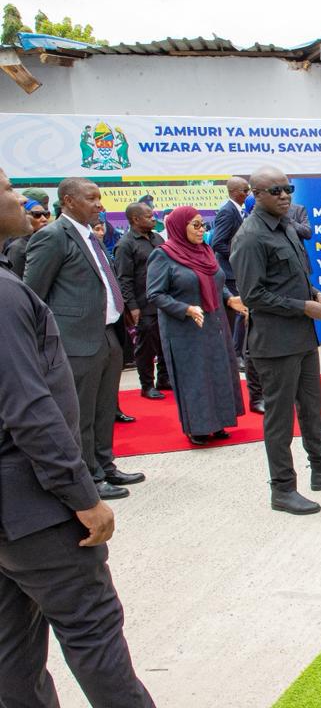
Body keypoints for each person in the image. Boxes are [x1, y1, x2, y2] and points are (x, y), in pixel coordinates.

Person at [0, 167, 157, 708]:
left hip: (14, 517)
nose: (22, 199)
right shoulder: (7, 294)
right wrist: (82, 496)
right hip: (35, 509)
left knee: (12, 654)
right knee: (94, 636)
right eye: (6, 189)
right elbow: (28, 410)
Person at [231, 166, 321, 515]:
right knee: (279, 420)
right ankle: (283, 489)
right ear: (256, 195)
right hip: (275, 343)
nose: (285, 196)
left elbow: (296, 277)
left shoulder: (286, 226)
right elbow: (252, 295)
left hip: (302, 337)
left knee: (312, 406)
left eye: (288, 188)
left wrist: (316, 294)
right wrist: (302, 307)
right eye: (275, 190)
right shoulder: (250, 237)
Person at [23, 177, 143, 501]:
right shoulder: (52, 237)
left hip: (107, 335)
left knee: (105, 409)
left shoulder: (91, 235)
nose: (99, 204)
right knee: (82, 414)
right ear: (68, 201)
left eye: (99, 198)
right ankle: (88, 476)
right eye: (91, 198)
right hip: (76, 341)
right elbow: (33, 294)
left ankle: (106, 465)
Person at [146, 207, 246, 445]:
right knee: (195, 377)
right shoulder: (164, 255)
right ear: (180, 227)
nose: (202, 230)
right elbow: (155, 294)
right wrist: (185, 309)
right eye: (196, 225)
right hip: (184, 328)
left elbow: (216, 281)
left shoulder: (205, 250)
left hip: (214, 321)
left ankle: (220, 422)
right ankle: (199, 428)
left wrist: (229, 298)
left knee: (219, 371)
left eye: (203, 225)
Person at [115, 202, 170, 400]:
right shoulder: (125, 244)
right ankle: (147, 385)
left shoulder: (157, 238)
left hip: (164, 301)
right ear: (135, 219)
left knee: (165, 343)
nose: (153, 219)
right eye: (148, 216)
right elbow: (124, 278)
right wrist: (132, 306)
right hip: (143, 304)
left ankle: (164, 379)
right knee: (146, 346)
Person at [210, 175, 251, 364]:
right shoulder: (227, 211)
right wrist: (239, 256)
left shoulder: (240, 211)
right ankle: (236, 354)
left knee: (244, 311)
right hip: (230, 271)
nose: (248, 193)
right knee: (240, 311)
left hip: (239, 271)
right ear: (233, 192)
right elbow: (218, 243)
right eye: (244, 190)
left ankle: (241, 351)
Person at [2, 196, 51, 277]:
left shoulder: (47, 241)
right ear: (24, 217)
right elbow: (14, 280)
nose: (44, 219)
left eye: (46, 214)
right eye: (37, 215)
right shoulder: (17, 248)